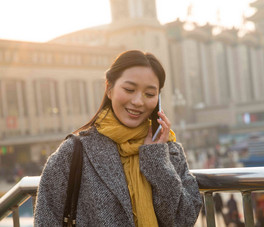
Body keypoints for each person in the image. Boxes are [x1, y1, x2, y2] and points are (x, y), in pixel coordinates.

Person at [34, 50, 202, 226]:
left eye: (150, 94)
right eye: (129, 89)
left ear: (158, 100)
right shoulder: (74, 152)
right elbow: (46, 219)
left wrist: (156, 160)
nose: (138, 101)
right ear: (109, 89)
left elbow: (184, 220)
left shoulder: (168, 150)